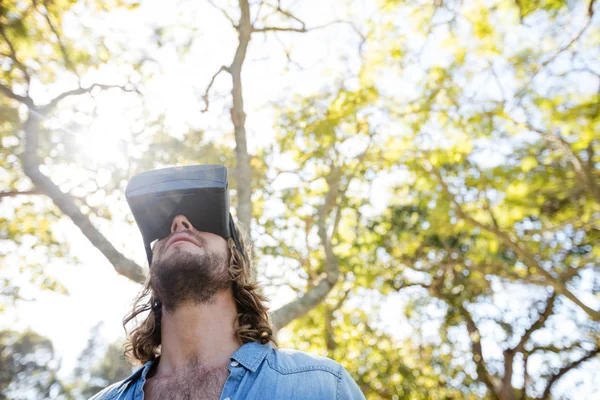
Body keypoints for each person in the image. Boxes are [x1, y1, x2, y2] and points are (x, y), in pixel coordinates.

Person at [91, 214, 366, 400]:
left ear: (236, 260)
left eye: (205, 216)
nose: (178, 222)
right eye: (164, 225)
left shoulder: (325, 387)